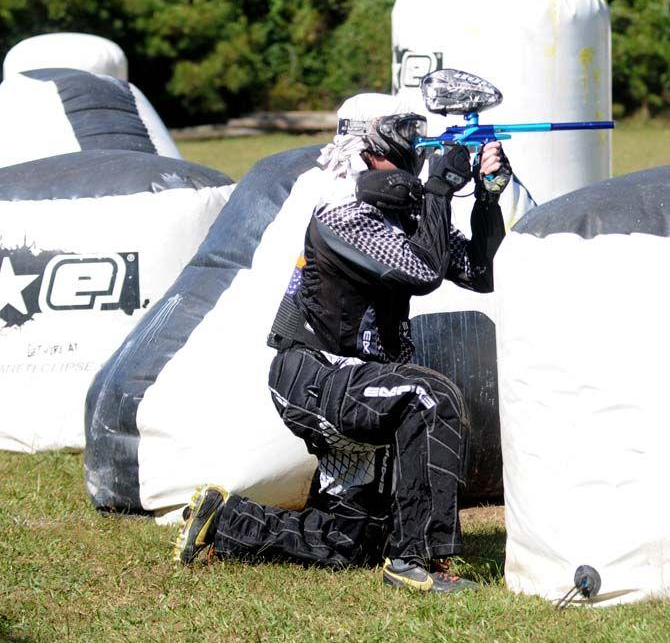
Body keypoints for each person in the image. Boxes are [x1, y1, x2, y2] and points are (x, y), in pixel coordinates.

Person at [174, 94, 511, 594]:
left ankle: (223, 523)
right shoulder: (342, 212)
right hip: (315, 378)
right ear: (371, 141)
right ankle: (418, 563)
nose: (416, 147)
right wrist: (439, 189)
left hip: (356, 382)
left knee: (354, 542)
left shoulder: (405, 214)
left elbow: (480, 273)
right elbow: (420, 272)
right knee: (430, 396)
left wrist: (485, 198)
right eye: (405, 134)